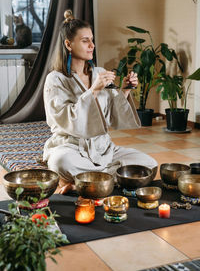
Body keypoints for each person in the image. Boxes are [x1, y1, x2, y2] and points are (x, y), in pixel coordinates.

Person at [43, 10, 157, 194]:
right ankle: (104, 179)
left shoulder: (99, 73)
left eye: (92, 40)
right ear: (68, 44)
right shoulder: (55, 79)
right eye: (85, 40)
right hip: (72, 147)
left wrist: (126, 89)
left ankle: (85, 183)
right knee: (60, 162)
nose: (92, 45)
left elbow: (112, 114)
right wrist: (93, 90)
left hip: (103, 148)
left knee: (149, 164)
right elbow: (65, 118)